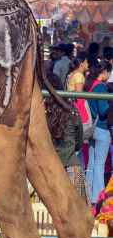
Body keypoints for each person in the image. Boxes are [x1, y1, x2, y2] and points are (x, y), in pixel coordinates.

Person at [45, 73, 86, 201]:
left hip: (50, 169)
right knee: (77, 211)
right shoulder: (72, 110)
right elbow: (79, 141)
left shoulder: (43, 113)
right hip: (72, 166)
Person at [86, 61, 112, 201]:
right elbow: (103, 110)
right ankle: (99, 197)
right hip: (102, 128)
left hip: (92, 129)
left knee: (91, 163)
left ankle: (89, 194)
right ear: (105, 72)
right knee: (100, 164)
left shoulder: (92, 85)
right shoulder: (101, 87)